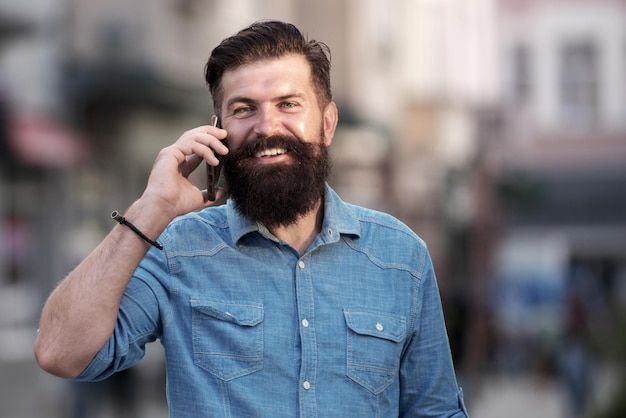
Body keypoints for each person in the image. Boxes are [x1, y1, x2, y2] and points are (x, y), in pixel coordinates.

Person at [34, 20, 469, 417]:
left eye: (288, 104)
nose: (267, 126)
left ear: (328, 123)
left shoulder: (401, 257)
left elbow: (436, 410)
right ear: (217, 130)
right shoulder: (177, 248)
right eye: (244, 109)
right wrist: (151, 208)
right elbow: (59, 352)